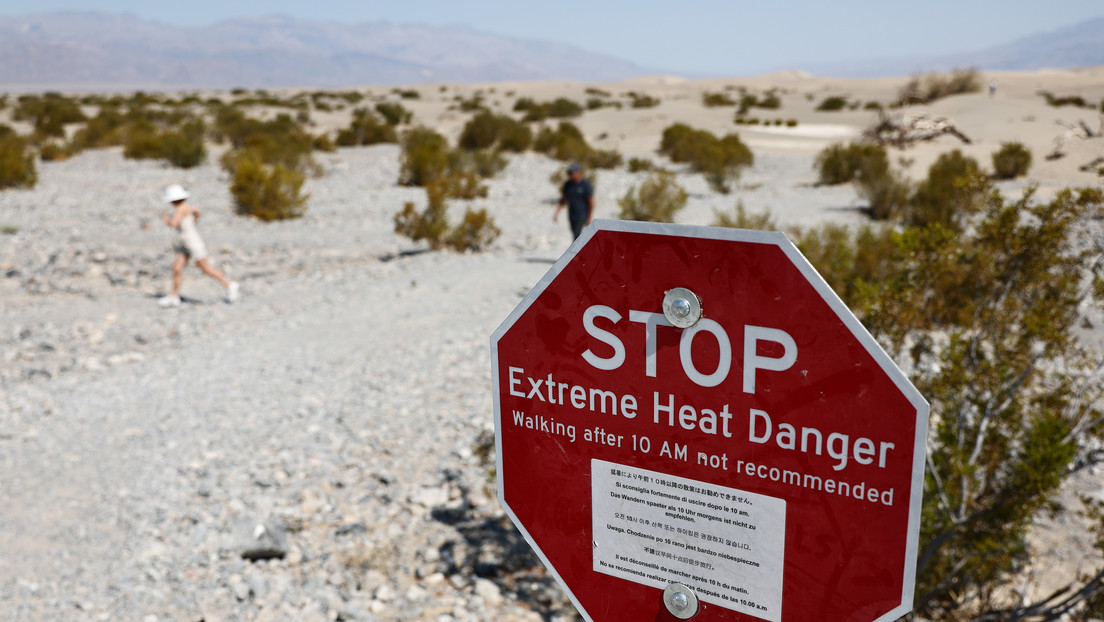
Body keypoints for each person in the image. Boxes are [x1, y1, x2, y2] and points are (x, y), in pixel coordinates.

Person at [158, 184, 239, 307]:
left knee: (205, 268)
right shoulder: (188, 207)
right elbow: (198, 213)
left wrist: (166, 220)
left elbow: (174, 224)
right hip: (184, 242)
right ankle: (174, 296)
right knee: (177, 268)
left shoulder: (180, 208)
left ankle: (229, 285)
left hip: (192, 242)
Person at [553, 163, 594, 241]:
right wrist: (557, 213)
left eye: (571, 173)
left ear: (577, 173)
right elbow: (563, 199)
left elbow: (591, 202)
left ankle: (576, 252)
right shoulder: (568, 184)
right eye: (569, 173)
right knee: (574, 235)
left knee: (576, 236)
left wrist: (589, 217)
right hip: (572, 215)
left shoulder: (585, 185)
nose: (570, 175)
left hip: (582, 215)